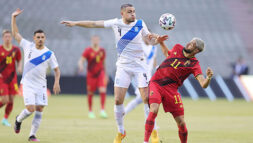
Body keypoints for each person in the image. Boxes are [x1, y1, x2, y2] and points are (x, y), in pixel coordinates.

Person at [61, 3, 167, 143]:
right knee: (118, 100)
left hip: (140, 66)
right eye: (130, 12)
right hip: (123, 66)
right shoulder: (115, 23)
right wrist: (75, 23)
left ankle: (153, 132)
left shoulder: (140, 24)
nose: (133, 14)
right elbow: (93, 24)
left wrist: (157, 41)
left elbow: (149, 40)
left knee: (147, 99)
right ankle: (121, 132)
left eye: (134, 11)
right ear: (122, 13)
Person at [144, 37, 213, 143]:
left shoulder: (194, 64)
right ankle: (145, 141)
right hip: (156, 83)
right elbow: (168, 54)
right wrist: (161, 42)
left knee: (181, 123)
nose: (189, 43)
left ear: (196, 50)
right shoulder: (177, 47)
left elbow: (203, 84)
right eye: (190, 41)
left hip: (171, 90)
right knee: (153, 109)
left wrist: (208, 78)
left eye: (192, 44)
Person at [11, 8, 61, 141]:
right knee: (30, 109)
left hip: (41, 85)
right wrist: (13, 18)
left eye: (42, 37)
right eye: (38, 37)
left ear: (45, 38)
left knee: (39, 110)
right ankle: (18, 120)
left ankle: (32, 135)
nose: (40, 39)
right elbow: (15, 34)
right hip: (27, 84)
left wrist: (56, 82)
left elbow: (56, 69)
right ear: (34, 38)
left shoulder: (49, 53)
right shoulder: (28, 46)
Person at [124, 37, 159, 142]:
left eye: (150, 36)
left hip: (149, 76)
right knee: (148, 102)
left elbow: (153, 58)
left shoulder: (153, 47)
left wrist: (156, 67)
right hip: (140, 76)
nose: (149, 38)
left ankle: (122, 113)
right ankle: (153, 129)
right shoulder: (139, 46)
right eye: (147, 36)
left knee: (142, 100)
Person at [78, 35, 108, 119]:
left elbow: (103, 63)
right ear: (92, 40)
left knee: (103, 90)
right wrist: (80, 65)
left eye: (97, 40)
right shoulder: (88, 50)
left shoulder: (102, 50)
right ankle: (90, 111)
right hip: (91, 74)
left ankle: (102, 110)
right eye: (94, 40)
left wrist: (105, 74)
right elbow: (81, 60)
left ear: (99, 40)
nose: (95, 41)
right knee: (90, 92)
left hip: (100, 73)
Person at [0, 29, 22, 127]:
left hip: (12, 78)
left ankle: (5, 119)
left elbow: (19, 60)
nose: (7, 38)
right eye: (6, 37)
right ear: (3, 38)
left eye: (9, 36)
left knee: (11, 100)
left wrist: (20, 67)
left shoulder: (16, 50)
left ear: (11, 38)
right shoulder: (0, 49)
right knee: (5, 100)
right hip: (2, 78)